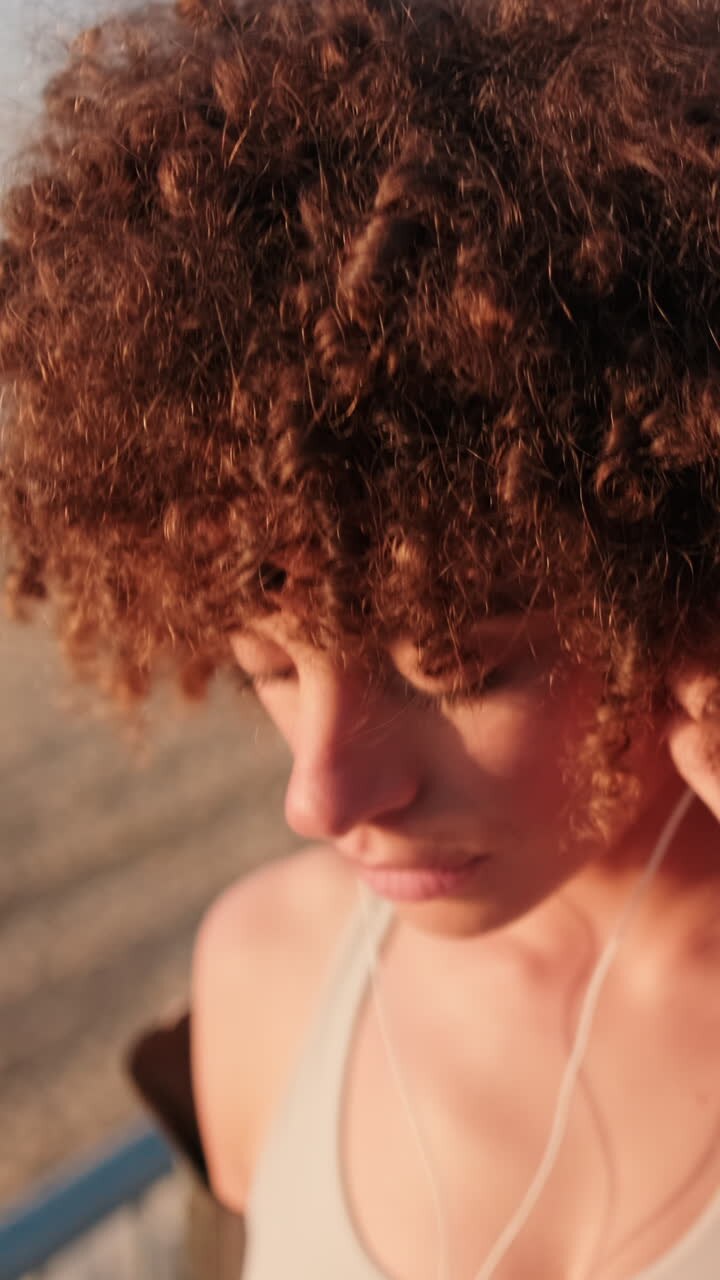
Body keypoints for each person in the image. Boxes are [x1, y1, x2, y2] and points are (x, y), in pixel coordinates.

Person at [1, 0, 720, 1275]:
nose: (319, 795)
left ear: (677, 570)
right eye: (267, 666)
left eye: (458, 665)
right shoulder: (264, 982)